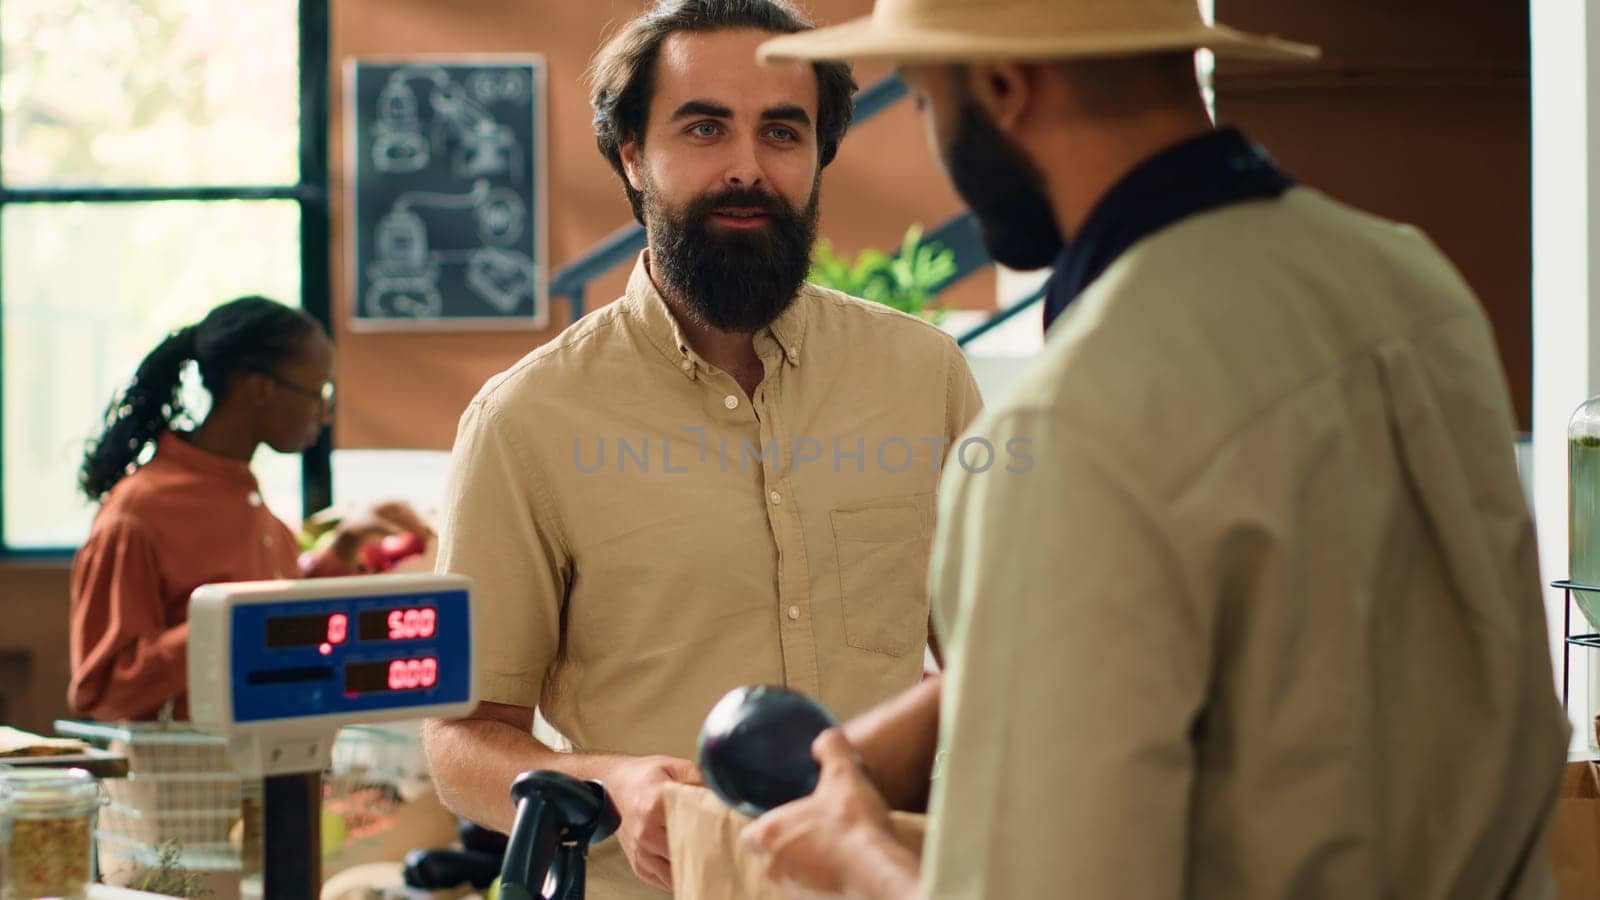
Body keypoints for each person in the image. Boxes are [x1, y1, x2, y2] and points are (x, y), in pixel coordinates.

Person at [741, 1, 1570, 897]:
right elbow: (1309, 639)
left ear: (1005, 87)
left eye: (926, 103)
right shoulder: (1413, 283)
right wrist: (969, 698)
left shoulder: (1067, 428)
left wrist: (856, 852)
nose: (935, 142)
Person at [421, 0, 983, 895]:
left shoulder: (927, 376)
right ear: (633, 155)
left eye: (783, 133)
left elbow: (988, 666)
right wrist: (610, 785)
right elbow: (458, 739)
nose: (747, 169)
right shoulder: (526, 420)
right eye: (705, 128)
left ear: (819, 154)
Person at [69, 296, 428, 722]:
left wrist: (347, 544)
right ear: (259, 389)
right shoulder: (138, 514)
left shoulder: (251, 505)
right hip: (188, 781)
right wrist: (234, 623)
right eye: (318, 392)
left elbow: (280, 618)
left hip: (272, 767)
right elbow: (103, 691)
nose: (324, 414)